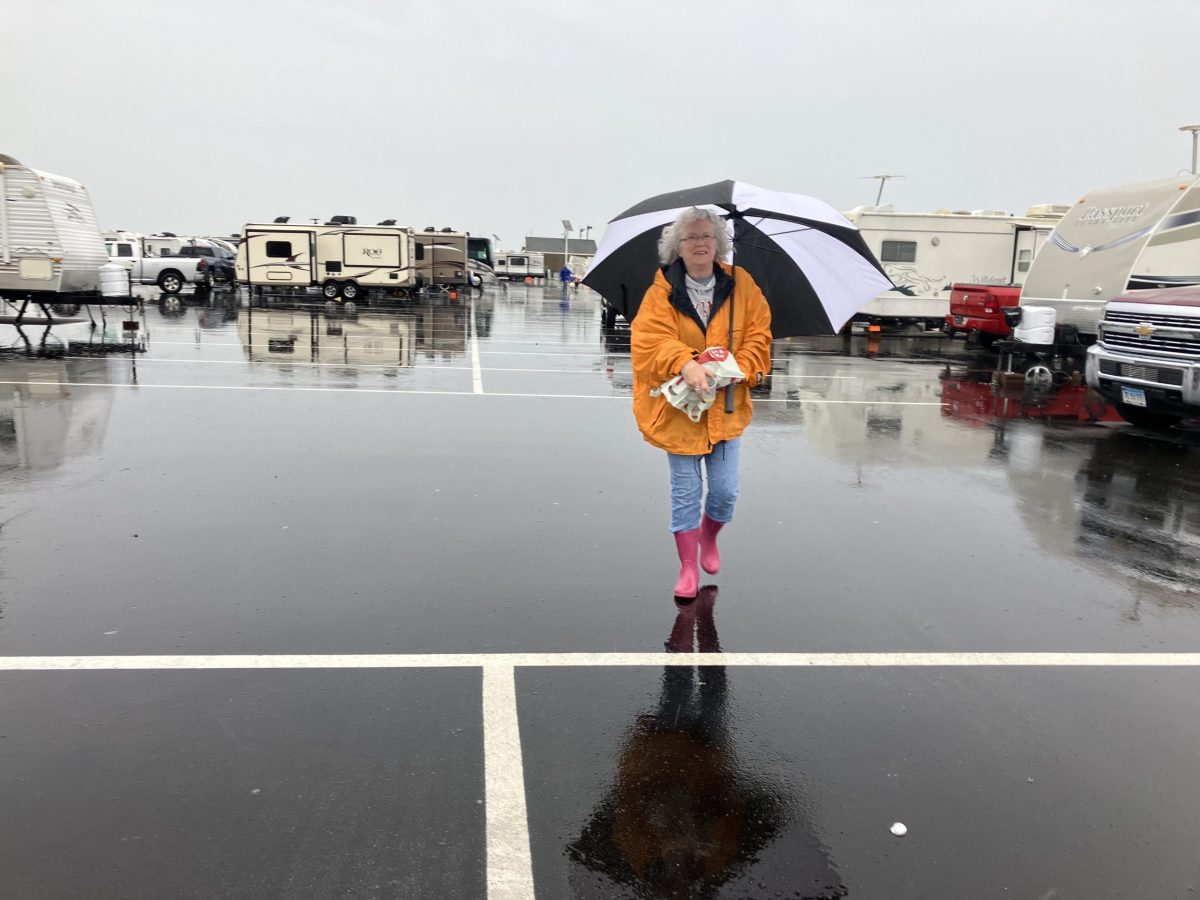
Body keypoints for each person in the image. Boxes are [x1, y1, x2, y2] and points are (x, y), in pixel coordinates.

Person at [630, 207, 772, 599]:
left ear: (719, 242)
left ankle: (709, 537)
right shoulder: (662, 290)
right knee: (685, 491)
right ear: (677, 246)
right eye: (691, 237)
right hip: (681, 414)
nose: (700, 243)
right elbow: (648, 340)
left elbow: (760, 334)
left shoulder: (741, 284)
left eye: (707, 235)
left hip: (725, 408)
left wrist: (738, 366)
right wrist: (684, 362)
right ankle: (687, 566)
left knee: (725, 492)